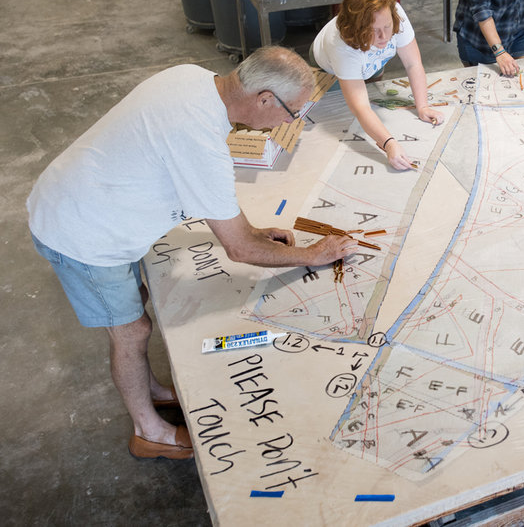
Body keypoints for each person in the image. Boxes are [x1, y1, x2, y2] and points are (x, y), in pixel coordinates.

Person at [27, 46, 359, 461]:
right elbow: (237, 249)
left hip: (89, 196)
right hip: (83, 232)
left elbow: (217, 209)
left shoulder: (192, 78)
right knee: (130, 332)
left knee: (138, 309)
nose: (286, 124)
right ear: (264, 99)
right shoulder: (201, 139)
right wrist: (313, 255)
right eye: (292, 113)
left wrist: (253, 230)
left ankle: (150, 389)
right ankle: (148, 432)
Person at [312, 0, 443, 171]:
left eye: (387, 27)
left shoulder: (393, 13)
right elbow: (361, 108)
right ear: (357, 29)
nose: (383, 36)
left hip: (371, 62)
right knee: (335, 110)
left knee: (371, 86)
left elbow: (413, 64)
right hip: (328, 69)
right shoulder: (341, 47)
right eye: (373, 30)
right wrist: (389, 144)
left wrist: (422, 107)